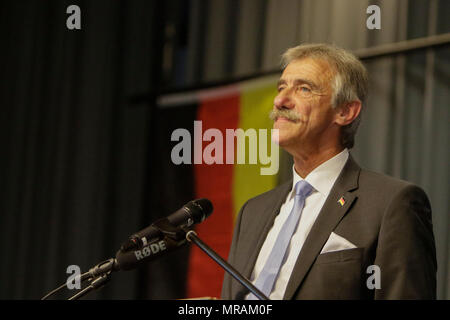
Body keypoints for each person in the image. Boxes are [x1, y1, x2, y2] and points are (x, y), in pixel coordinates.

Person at [221, 43, 437, 300]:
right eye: (281, 87)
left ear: (345, 111)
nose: (280, 100)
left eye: (303, 88)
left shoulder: (392, 203)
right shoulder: (252, 212)